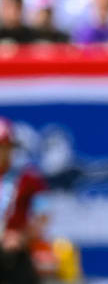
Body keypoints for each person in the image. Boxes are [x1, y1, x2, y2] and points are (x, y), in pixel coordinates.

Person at [0, 117, 48, 284]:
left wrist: (21, 237)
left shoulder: (28, 178)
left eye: (4, 147)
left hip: (15, 252)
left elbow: (43, 216)